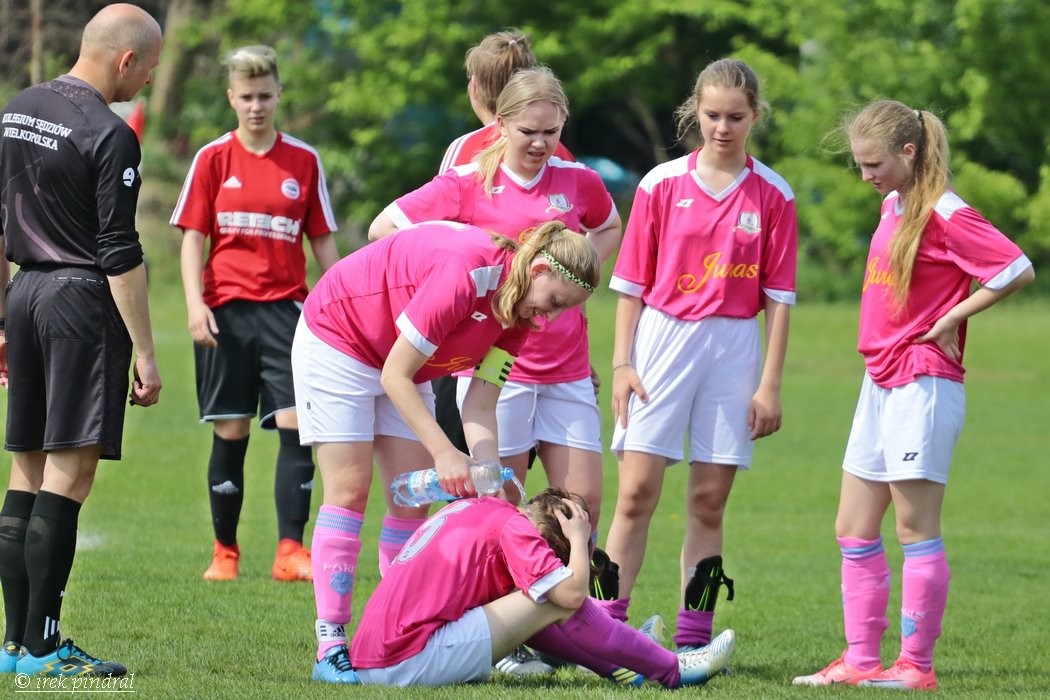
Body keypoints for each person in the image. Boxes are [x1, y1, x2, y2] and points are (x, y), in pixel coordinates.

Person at [792, 100, 1034, 691]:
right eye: (859, 164)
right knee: (853, 527)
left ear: (909, 151)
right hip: (877, 380)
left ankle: (916, 666)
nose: (865, 175)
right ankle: (860, 660)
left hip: (922, 382)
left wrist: (951, 317)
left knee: (914, 528)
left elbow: (1016, 269)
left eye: (874, 163)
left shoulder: (945, 211)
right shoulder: (892, 205)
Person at [292, 219, 601, 683]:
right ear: (538, 270)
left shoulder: (520, 316)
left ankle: (397, 633)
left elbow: (481, 401)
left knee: (410, 505)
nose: (549, 318)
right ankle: (331, 644)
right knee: (350, 488)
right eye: (555, 302)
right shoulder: (466, 274)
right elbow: (394, 375)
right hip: (340, 337)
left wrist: (488, 468)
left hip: (401, 364)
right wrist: (444, 453)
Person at [369, 66, 621, 543]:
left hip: (567, 364)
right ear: (501, 123)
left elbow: (609, 226)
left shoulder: (578, 180)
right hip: (495, 366)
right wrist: (442, 287)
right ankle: (503, 594)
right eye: (528, 131)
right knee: (504, 505)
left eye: (552, 132)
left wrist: (569, 286)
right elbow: (384, 229)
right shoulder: (467, 182)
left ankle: (573, 594)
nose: (541, 143)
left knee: (583, 505)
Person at [600, 58, 797, 659]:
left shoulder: (774, 194)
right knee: (635, 494)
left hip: (733, 348)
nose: (722, 127)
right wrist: (622, 364)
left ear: (755, 116)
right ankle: (605, 628)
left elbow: (779, 300)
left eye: (736, 117)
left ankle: (693, 637)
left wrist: (769, 385)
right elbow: (630, 286)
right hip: (662, 341)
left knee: (710, 501)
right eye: (712, 115)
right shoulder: (661, 184)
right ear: (696, 111)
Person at [0, 3, 163, 677]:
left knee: (25, 472)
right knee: (69, 475)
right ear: (126, 59)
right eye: (148, 68)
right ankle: (44, 648)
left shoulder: (16, 109)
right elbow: (119, 251)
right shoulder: (111, 133)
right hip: (78, 303)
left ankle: (13, 647)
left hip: (24, 295)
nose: (148, 81)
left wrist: (2, 320)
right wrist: (146, 353)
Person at [170, 45, 341, 583]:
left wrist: (340, 303)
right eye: (246, 97)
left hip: (288, 314)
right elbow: (192, 238)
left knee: (297, 426)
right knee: (231, 429)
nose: (256, 106)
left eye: (265, 95)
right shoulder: (212, 158)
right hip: (225, 313)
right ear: (231, 98)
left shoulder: (303, 160)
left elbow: (323, 241)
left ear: (279, 95)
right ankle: (225, 552)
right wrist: (195, 303)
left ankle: (290, 550)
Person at [346, 487, 735, 687]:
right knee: (557, 598)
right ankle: (673, 668)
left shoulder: (487, 508)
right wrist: (578, 540)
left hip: (376, 660)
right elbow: (571, 597)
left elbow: (535, 620)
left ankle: (628, 663)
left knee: (540, 599)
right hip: (403, 660)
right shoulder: (516, 529)